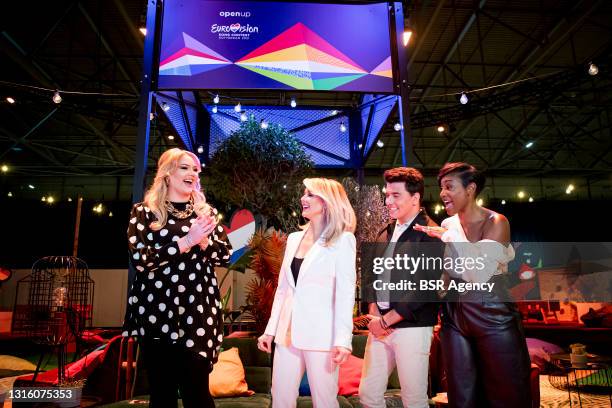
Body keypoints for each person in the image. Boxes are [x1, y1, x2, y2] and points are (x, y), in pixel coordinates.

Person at [415, 162, 531, 408]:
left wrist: (448, 236)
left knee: (506, 392)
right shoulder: (449, 225)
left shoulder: (496, 222)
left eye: (449, 187)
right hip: (454, 313)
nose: (443, 193)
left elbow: (478, 274)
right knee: (462, 394)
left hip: (492, 310)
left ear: (470, 189)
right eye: (441, 188)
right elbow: (450, 270)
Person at [123, 148, 232, 408]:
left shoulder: (206, 214)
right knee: (162, 393)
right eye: (185, 167)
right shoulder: (145, 212)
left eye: (195, 169)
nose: (192, 173)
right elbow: (140, 259)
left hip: (199, 311)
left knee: (197, 392)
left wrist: (203, 241)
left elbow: (225, 255)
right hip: (155, 311)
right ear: (167, 174)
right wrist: (186, 241)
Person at [257, 178, 357, 408]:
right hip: (286, 335)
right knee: (281, 399)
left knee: (324, 401)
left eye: (311, 194)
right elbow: (283, 290)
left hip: (322, 337)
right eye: (304, 193)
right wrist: (270, 331)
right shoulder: (293, 239)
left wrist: (343, 340)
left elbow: (345, 294)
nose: (304, 198)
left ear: (328, 201)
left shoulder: (343, 240)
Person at [359, 167, 441, 408]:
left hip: (413, 327)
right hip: (380, 325)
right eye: (387, 195)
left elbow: (426, 288)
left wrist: (386, 321)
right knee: (368, 394)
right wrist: (375, 315)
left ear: (415, 198)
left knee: (413, 399)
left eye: (396, 195)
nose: (388, 201)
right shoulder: (386, 231)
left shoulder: (430, 234)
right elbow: (373, 276)